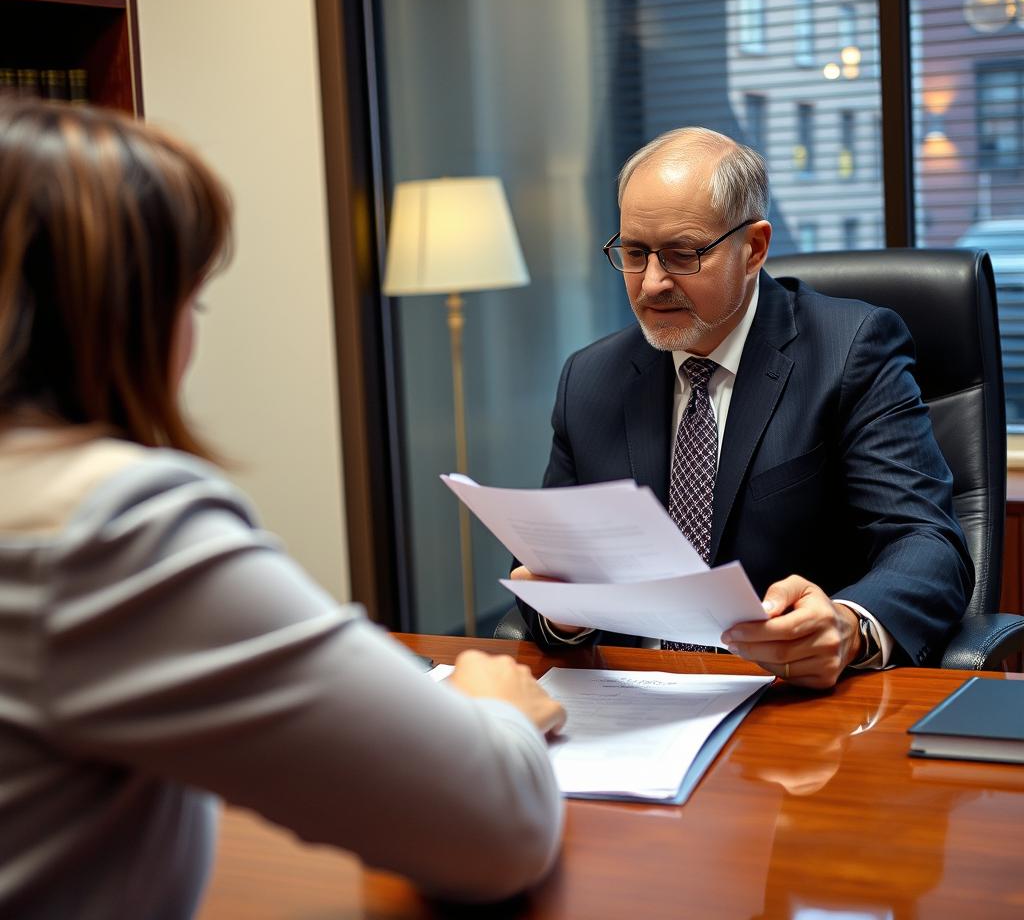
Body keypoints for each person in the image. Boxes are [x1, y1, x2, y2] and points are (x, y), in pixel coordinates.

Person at [0, 99, 566, 919]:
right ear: (126, 314)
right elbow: (497, 830)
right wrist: (496, 713)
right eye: (189, 302)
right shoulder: (112, 528)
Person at [513, 126, 972, 689]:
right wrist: (562, 616)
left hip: (788, 700)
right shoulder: (591, 379)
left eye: (682, 254)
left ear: (753, 248)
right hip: (631, 703)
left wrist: (847, 625)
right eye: (634, 253)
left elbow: (928, 543)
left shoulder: (850, 349)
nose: (652, 284)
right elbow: (548, 565)